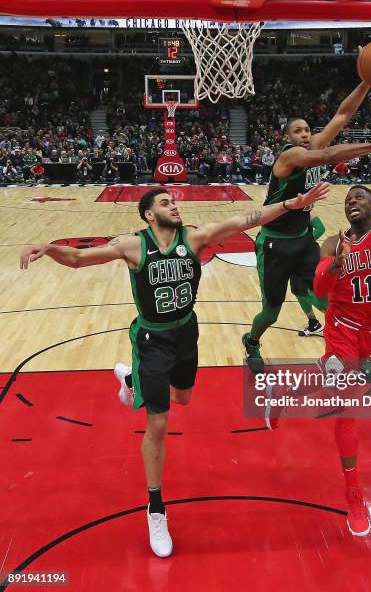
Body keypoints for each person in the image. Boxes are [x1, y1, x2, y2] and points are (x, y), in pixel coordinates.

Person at [19, 183, 329, 559]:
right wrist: (48, 248)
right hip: (152, 339)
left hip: (187, 331)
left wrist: (290, 204)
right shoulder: (134, 245)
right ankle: (156, 508)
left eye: (173, 201)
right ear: (149, 213)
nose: (174, 205)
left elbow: (245, 219)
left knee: (183, 397)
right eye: (165, 202)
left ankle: (131, 380)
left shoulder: (195, 238)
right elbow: (80, 258)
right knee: (160, 423)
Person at [312, 83, 371, 536]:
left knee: (352, 376)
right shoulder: (335, 242)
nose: (354, 200)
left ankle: (338, 367)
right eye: (349, 197)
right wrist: (334, 268)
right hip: (341, 327)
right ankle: (354, 494)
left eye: (361, 197)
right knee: (347, 404)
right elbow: (316, 291)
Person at [242, 81, 371, 372]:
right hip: (274, 242)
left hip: (303, 240)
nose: (306, 135)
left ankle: (353, 355)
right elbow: (325, 157)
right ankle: (251, 341)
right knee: (271, 311)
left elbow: (342, 115)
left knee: (327, 303)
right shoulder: (290, 156)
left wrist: (366, 82)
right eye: (298, 131)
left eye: (308, 130)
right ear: (286, 137)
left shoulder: (313, 145)